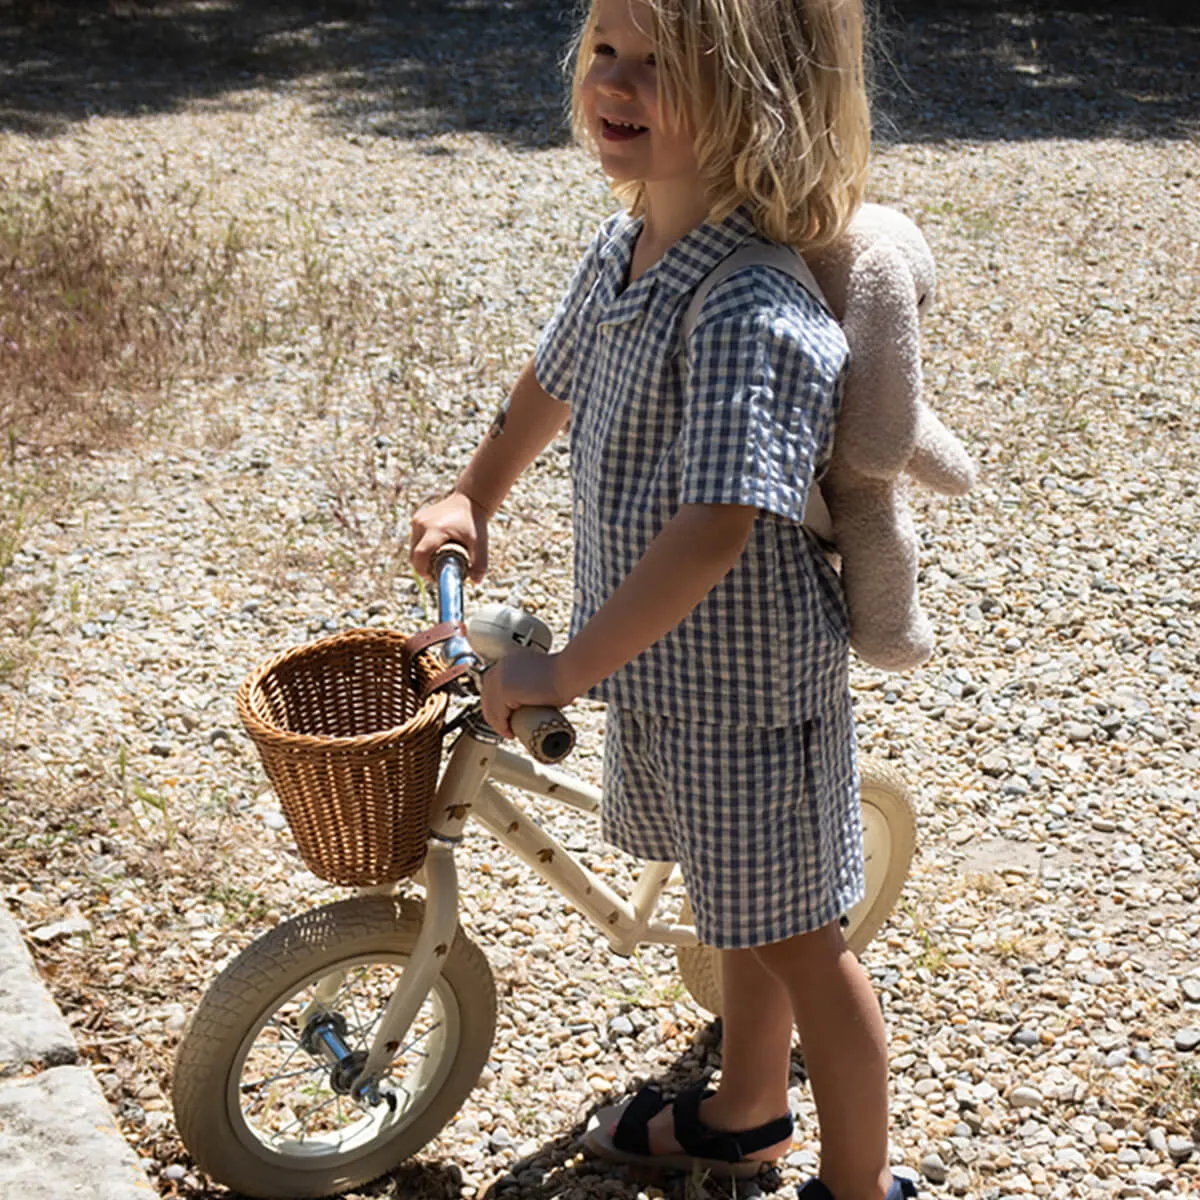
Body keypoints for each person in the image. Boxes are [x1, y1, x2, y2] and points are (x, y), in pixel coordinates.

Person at [410, 0, 914, 1196]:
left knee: (798, 937)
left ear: (762, 96)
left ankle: (862, 1183)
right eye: (604, 53)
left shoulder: (751, 304)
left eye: (660, 63)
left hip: (743, 685)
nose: (615, 82)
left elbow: (718, 525)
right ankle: (745, 1112)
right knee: (732, 895)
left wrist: (562, 670)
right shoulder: (627, 246)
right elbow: (556, 372)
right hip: (667, 669)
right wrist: (476, 492)